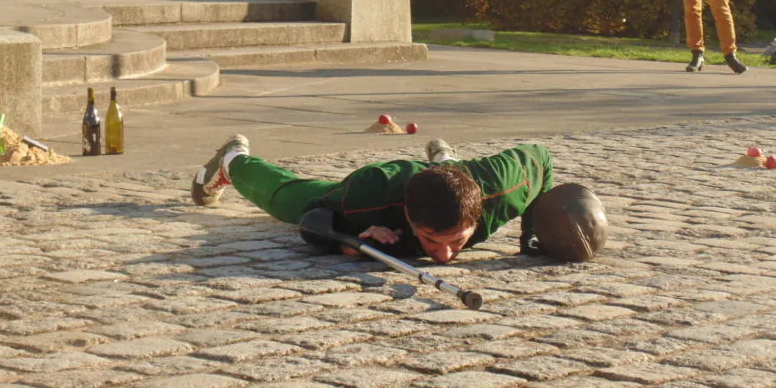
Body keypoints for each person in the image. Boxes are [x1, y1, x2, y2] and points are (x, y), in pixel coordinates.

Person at [191, 135, 553, 264]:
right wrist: (350, 241)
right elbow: (313, 223)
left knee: (456, 175)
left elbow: (542, 157)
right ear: (409, 217)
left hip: (468, 178)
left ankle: (447, 163)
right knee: (291, 200)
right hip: (389, 185)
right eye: (431, 241)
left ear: (479, 215)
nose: (443, 257)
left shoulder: (505, 187)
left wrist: (534, 233)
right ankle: (233, 161)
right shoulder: (368, 196)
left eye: (458, 241)